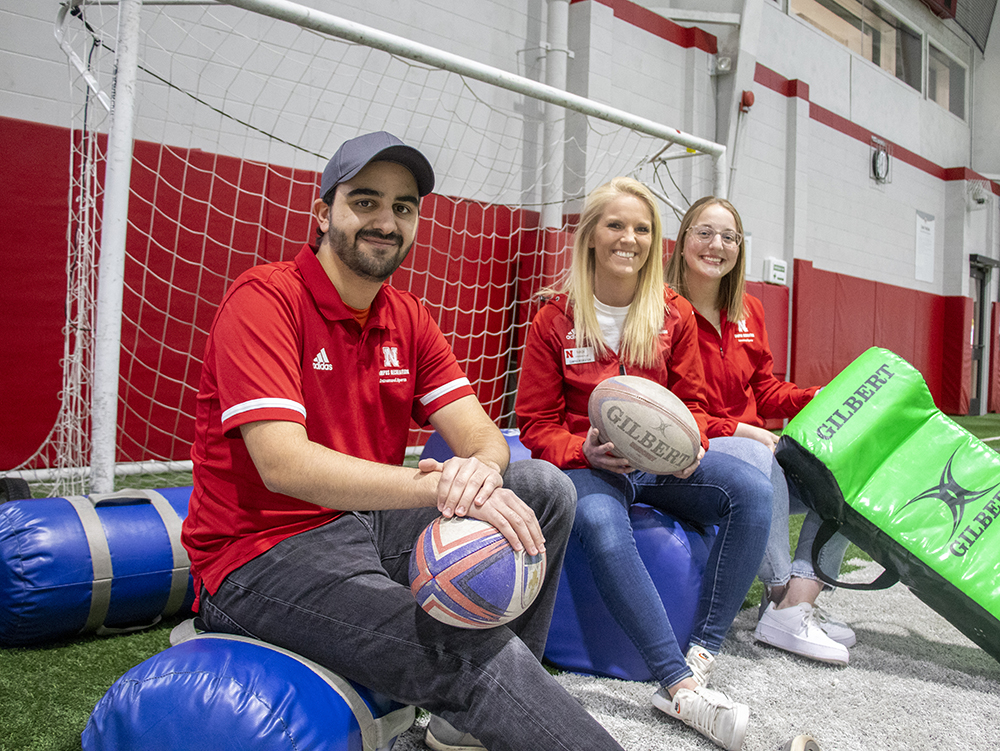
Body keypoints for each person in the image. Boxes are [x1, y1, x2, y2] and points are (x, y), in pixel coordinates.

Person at [180, 131, 627, 751]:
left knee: (543, 487)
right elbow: (283, 463)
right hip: (259, 555)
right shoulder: (266, 298)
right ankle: (492, 690)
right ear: (323, 213)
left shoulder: (406, 315)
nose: (386, 222)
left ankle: (460, 731)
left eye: (403, 207)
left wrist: (479, 472)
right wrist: (440, 485)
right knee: (464, 653)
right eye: (365, 201)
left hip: (364, 524)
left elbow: (482, 435)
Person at [515, 177, 772, 751]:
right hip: (592, 466)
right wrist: (582, 451)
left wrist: (689, 446)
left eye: (642, 228)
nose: (628, 238)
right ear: (591, 235)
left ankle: (702, 651)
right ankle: (679, 687)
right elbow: (535, 423)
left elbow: (695, 406)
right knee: (602, 523)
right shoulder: (554, 318)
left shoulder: (672, 313)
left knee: (752, 491)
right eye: (615, 225)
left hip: (659, 467)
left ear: (655, 241)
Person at [664, 195, 856, 666]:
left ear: (739, 248)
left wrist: (818, 396)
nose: (717, 245)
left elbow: (765, 390)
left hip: (755, 451)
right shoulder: (661, 311)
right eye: (705, 232)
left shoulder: (748, 310)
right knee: (758, 456)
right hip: (698, 453)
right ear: (683, 240)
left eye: (729, 237)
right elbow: (667, 408)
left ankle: (795, 603)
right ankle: (779, 592)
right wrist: (741, 430)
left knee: (847, 475)